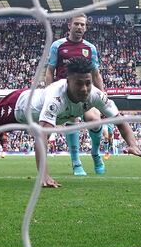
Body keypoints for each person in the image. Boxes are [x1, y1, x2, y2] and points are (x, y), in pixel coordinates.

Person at [0, 56, 141, 188]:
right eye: (79, 84)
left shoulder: (95, 95)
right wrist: (43, 174)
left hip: (21, 103)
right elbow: (42, 137)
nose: (85, 89)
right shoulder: (56, 98)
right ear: (68, 80)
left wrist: (133, 143)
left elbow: (120, 119)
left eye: (88, 83)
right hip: (17, 107)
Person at [45, 14, 105, 176]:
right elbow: (50, 71)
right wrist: (48, 92)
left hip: (85, 91)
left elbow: (96, 74)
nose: (79, 27)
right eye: (76, 24)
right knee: (73, 119)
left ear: (86, 28)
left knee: (94, 119)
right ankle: (76, 162)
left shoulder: (90, 48)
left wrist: (103, 96)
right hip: (63, 92)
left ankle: (95, 153)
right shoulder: (57, 46)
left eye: (82, 25)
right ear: (69, 25)